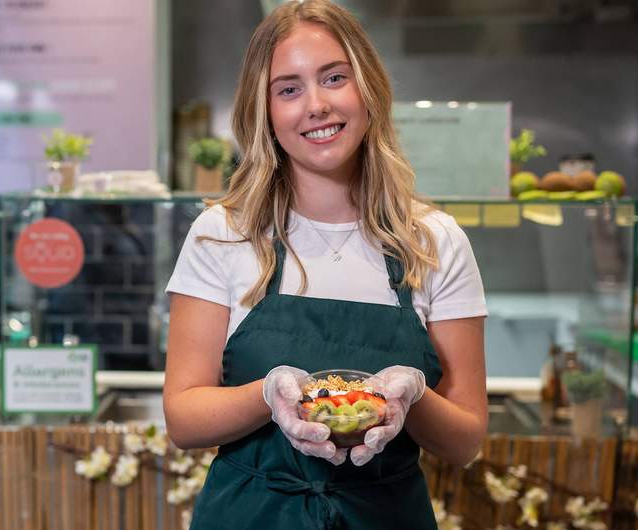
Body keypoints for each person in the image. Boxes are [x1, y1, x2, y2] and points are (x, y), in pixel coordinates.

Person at [162, 1, 488, 529]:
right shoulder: (223, 234)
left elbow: (466, 440)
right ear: (265, 111)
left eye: (334, 78)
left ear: (368, 90)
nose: (315, 105)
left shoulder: (434, 241)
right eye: (288, 89)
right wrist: (267, 395)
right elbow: (183, 419)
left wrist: (414, 395)